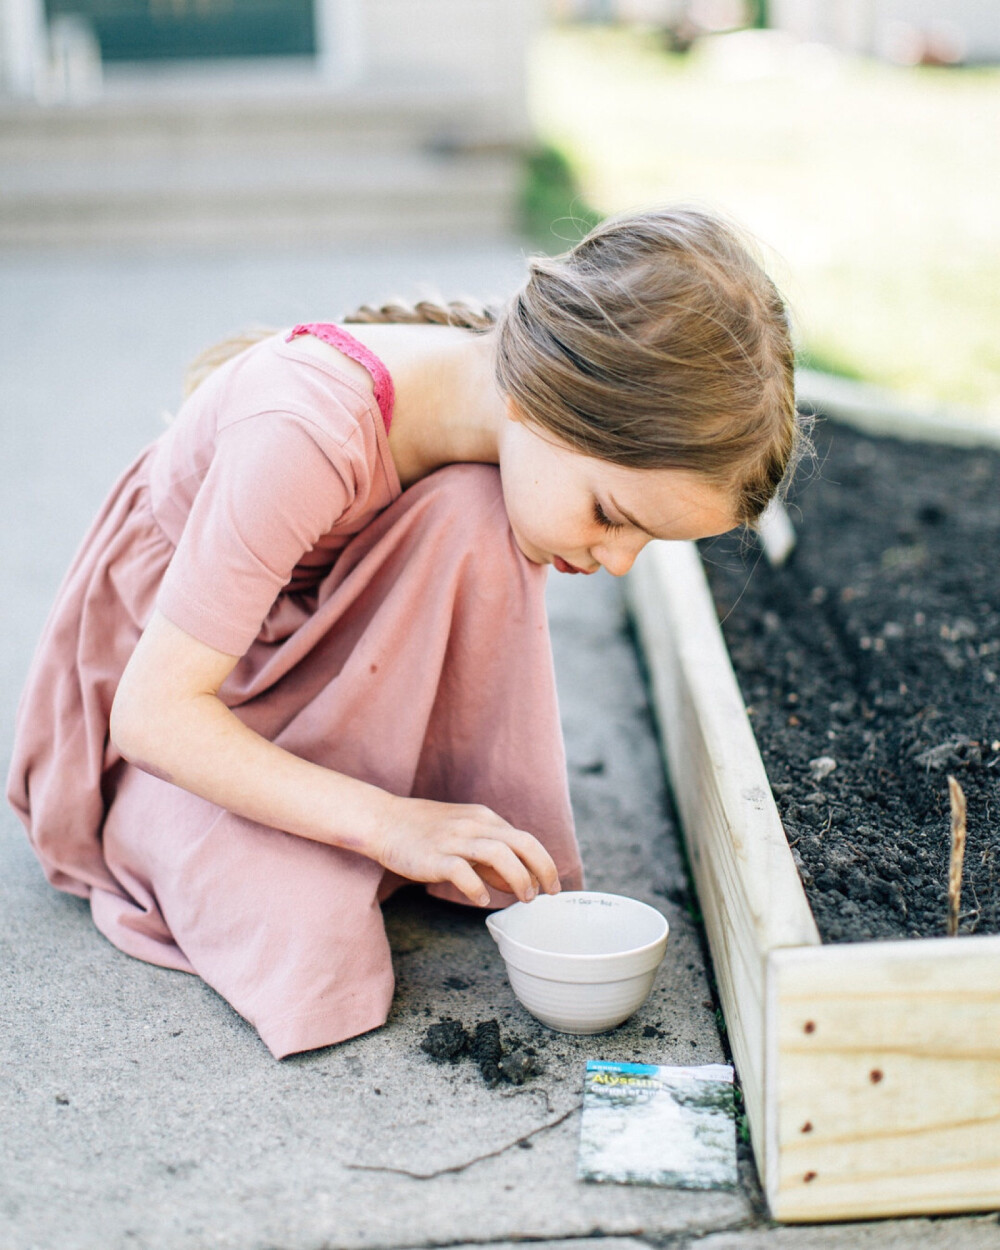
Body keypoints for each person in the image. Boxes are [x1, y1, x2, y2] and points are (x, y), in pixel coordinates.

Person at [7, 205, 804, 1059]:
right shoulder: (304, 431)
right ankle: (153, 823)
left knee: (478, 514)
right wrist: (388, 823)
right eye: (612, 515)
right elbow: (154, 714)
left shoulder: (489, 419)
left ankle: (363, 814)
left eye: (646, 542)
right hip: (185, 711)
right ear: (548, 401)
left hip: (309, 657)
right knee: (314, 944)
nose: (617, 563)